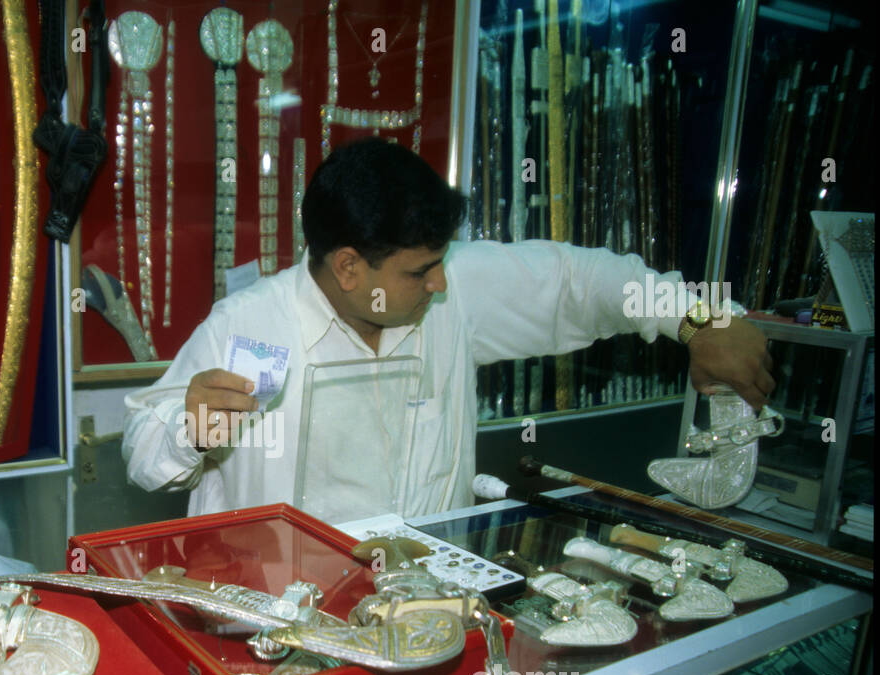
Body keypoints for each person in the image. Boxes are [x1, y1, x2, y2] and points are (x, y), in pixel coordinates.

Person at [122, 137, 774, 523]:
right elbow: (144, 457)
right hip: (283, 634)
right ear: (349, 266)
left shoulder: (452, 295)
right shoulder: (251, 330)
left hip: (427, 614)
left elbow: (585, 281)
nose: (439, 283)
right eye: (420, 271)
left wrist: (698, 319)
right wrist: (192, 426)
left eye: (441, 264)